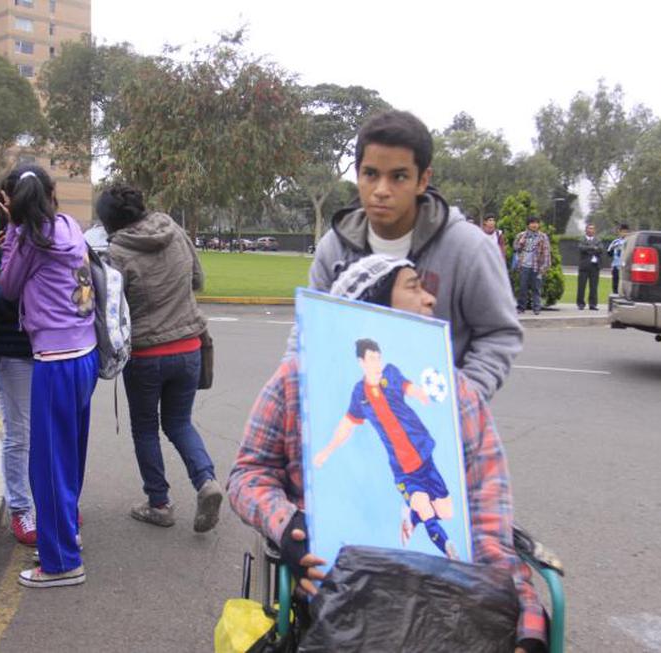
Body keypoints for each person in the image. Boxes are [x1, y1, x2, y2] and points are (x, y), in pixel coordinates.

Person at [228, 254, 547, 653]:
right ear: (372, 307)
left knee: (445, 519)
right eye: (413, 287)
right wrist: (290, 525)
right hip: (338, 587)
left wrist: (527, 617)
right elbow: (248, 473)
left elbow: (486, 520)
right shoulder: (297, 378)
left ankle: (414, 515)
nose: (430, 299)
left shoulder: (457, 396)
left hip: (444, 599)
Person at [303, 110, 520, 401]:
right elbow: (310, 333)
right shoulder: (335, 247)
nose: (381, 190)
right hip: (357, 418)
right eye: (371, 174)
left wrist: (461, 404)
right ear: (358, 175)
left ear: (422, 179)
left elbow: (499, 334)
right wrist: (298, 393)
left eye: (399, 177)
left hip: (441, 425)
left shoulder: (469, 248)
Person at [96, 184, 224, 532]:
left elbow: (112, 313)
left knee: (146, 428)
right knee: (180, 422)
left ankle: (159, 503)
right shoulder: (174, 230)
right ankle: (206, 480)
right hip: (189, 347)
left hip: (146, 354)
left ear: (109, 222)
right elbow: (197, 280)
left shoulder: (118, 254)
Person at [0, 166, 98, 589]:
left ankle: (60, 562)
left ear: (12, 202)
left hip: (54, 360)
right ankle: (66, 535)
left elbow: (7, 287)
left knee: (48, 465)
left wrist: (10, 229)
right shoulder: (70, 226)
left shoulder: (26, 239)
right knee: (69, 457)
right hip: (85, 352)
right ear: (52, 194)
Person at [313, 336, 458, 559]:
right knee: (425, 508)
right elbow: (347, 424)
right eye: (372, 359)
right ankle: (449, 550)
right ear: (361, 362)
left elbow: (408, 387)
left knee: (446, 512)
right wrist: (327, 450)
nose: (377, 363)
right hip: (403, 469)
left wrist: (420, 393)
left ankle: (411, 515)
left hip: (423, 454)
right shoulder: (359, 394)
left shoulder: (390, 373)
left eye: (378, 358)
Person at [0, 182, 37, 547]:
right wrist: (6, 256)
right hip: (14, 350)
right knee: (20, 433)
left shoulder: (48, 240)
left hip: (51, 352)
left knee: (46, 432)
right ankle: (21, 507)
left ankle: (46, 501)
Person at [512, 216, 551, 315]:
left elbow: (546, 253)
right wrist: (520, 243)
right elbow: (515, 248)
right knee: (522, 288)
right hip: (524, 266)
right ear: (528, 224)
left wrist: (544, 267)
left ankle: (536, 308)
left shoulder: (543, 237)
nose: (534, 225)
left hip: (536, 267)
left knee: (536, 288)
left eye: (536, 223)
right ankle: (521, 307)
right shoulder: (521, 235)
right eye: (532, 223)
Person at [577, 223, 604, 310]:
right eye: (589, 228)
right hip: (584, 266)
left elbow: (600, 249)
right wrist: (593, 248)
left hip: (594, 267)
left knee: (594, 287)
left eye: (592, 229)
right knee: (581, 286)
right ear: (586, 230)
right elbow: (581, 248)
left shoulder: (598, 240)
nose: (591, 230)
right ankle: (581, 304)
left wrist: (589, 248)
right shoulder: (582, 239)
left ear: (594, 230)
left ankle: (593, 304)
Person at [607, 223, 630, 295]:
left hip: (626, 266)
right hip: (616, 265)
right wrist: (614, 247)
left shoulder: (630, 242)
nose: (624, 233)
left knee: (626, 284)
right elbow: (609, 253)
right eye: (623, 231)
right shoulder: (615, 242)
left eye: (626, 232)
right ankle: (615, 295)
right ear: (619, 232)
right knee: (615, 283)